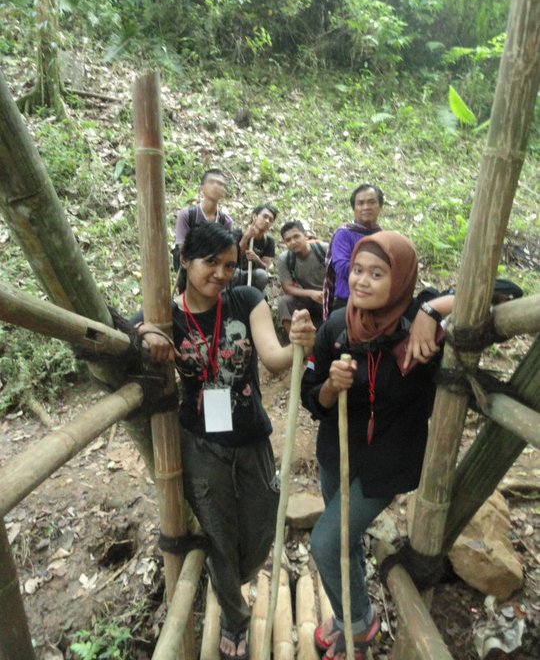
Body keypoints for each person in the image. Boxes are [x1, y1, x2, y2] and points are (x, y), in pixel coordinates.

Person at [137, 223, 315, 660]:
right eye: (210, 262)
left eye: (230, 265)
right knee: (218, 534)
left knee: (260, 528)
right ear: (185, 261)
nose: (221, 273)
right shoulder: (166, 314)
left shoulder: (246, 299)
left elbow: (274, 358)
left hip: (251, 436)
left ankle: (235, 578)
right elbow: (133, 329)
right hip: (200, 442)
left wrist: (301, 345)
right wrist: (145, 333)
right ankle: (234, 617)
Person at [301, 231, 453, 660]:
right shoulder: (337, 325)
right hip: (336, 454)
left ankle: (357, 624)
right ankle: (353, 610)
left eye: (377, 273)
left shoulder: (418, 327)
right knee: (344, 542)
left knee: (326, 542)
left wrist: (432, 310)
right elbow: (311, 396)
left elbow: (501, 293)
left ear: (400, 279)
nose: (362, 281)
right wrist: (330, 387)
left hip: (388, 464)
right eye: (358, 270)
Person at [323, 184, 384, 319]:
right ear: (354, 209)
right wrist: (377, 274)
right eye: (360, 203)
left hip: (377, 302)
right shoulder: (344, 234)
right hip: (347, 302)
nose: (366, 207)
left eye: (371, 202)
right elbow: (342, 268)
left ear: (380, 207)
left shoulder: (384, 237)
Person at [173, 168, 233, 272]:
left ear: (224, 192)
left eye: (220, 184)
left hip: (215, 268)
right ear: (201, 188)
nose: (215, 186)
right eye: (211, 182)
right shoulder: (187, 215)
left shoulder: (225, 221)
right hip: (190, 267)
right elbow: (182, 247)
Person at [277, 220, 328, 333]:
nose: (293, 242)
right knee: (284, 302)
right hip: (307, 298)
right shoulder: (285, 259)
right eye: (288, 240)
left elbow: (341, 275)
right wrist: (311, 293)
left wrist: (328, 294)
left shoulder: (323, 250)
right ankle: (293, 339)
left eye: (296, 237)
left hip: (329, 297)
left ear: (305, 235)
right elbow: (287, 288)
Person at [232, 203, 278, 292]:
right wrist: (246, 237)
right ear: (254, 217)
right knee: (234, 273)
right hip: (236, 272)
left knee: (262, 275)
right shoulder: (238, 233)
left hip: (252, 275)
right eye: (265, 217)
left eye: (270, 220)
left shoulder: (269, 242)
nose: (267, 221)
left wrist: (256, 259)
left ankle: (252, 296)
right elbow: (232, 257)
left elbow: (265, 266)